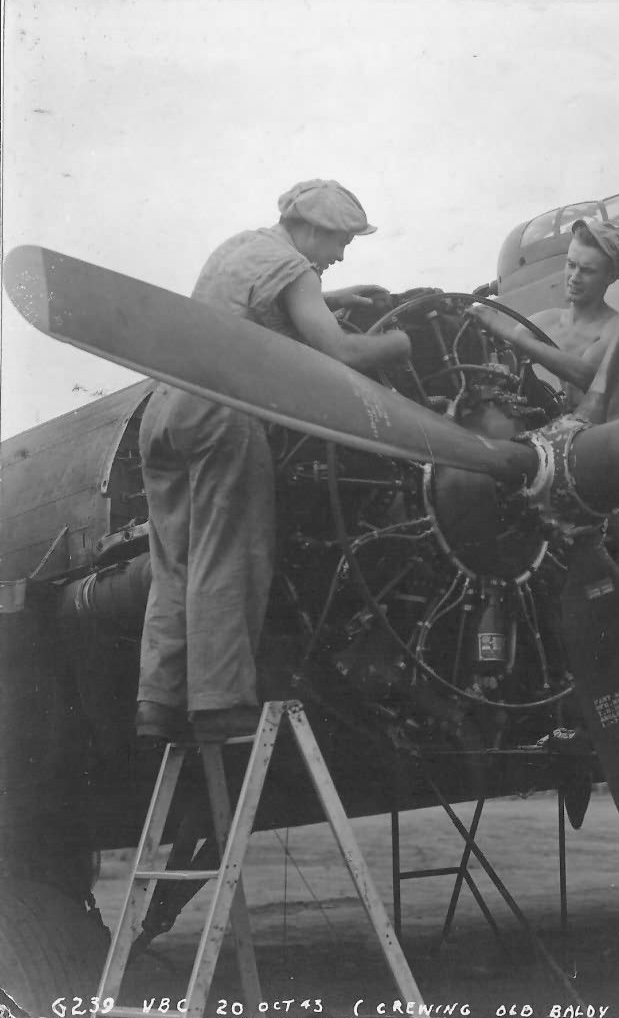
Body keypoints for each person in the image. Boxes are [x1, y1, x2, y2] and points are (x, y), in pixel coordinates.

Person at [135, 179, 412, 743]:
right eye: (340, 243)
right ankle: (218, 704)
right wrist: (400, 344)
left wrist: (330, 301)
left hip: (163, 411)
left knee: (174, 563)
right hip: (220, 413)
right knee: (230, 553)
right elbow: (342, 353)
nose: (339, 256)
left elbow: (250, 308)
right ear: (312, 228)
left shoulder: (240, 247)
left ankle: (157, 704)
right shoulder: (297, 269)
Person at [467, 218, 619, 691]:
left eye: (586, 270)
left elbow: (585, 375)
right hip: (569, 480)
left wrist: (513, 335)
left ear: (610, 278)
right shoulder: (543, 322)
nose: (573, 277)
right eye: (569, 265)